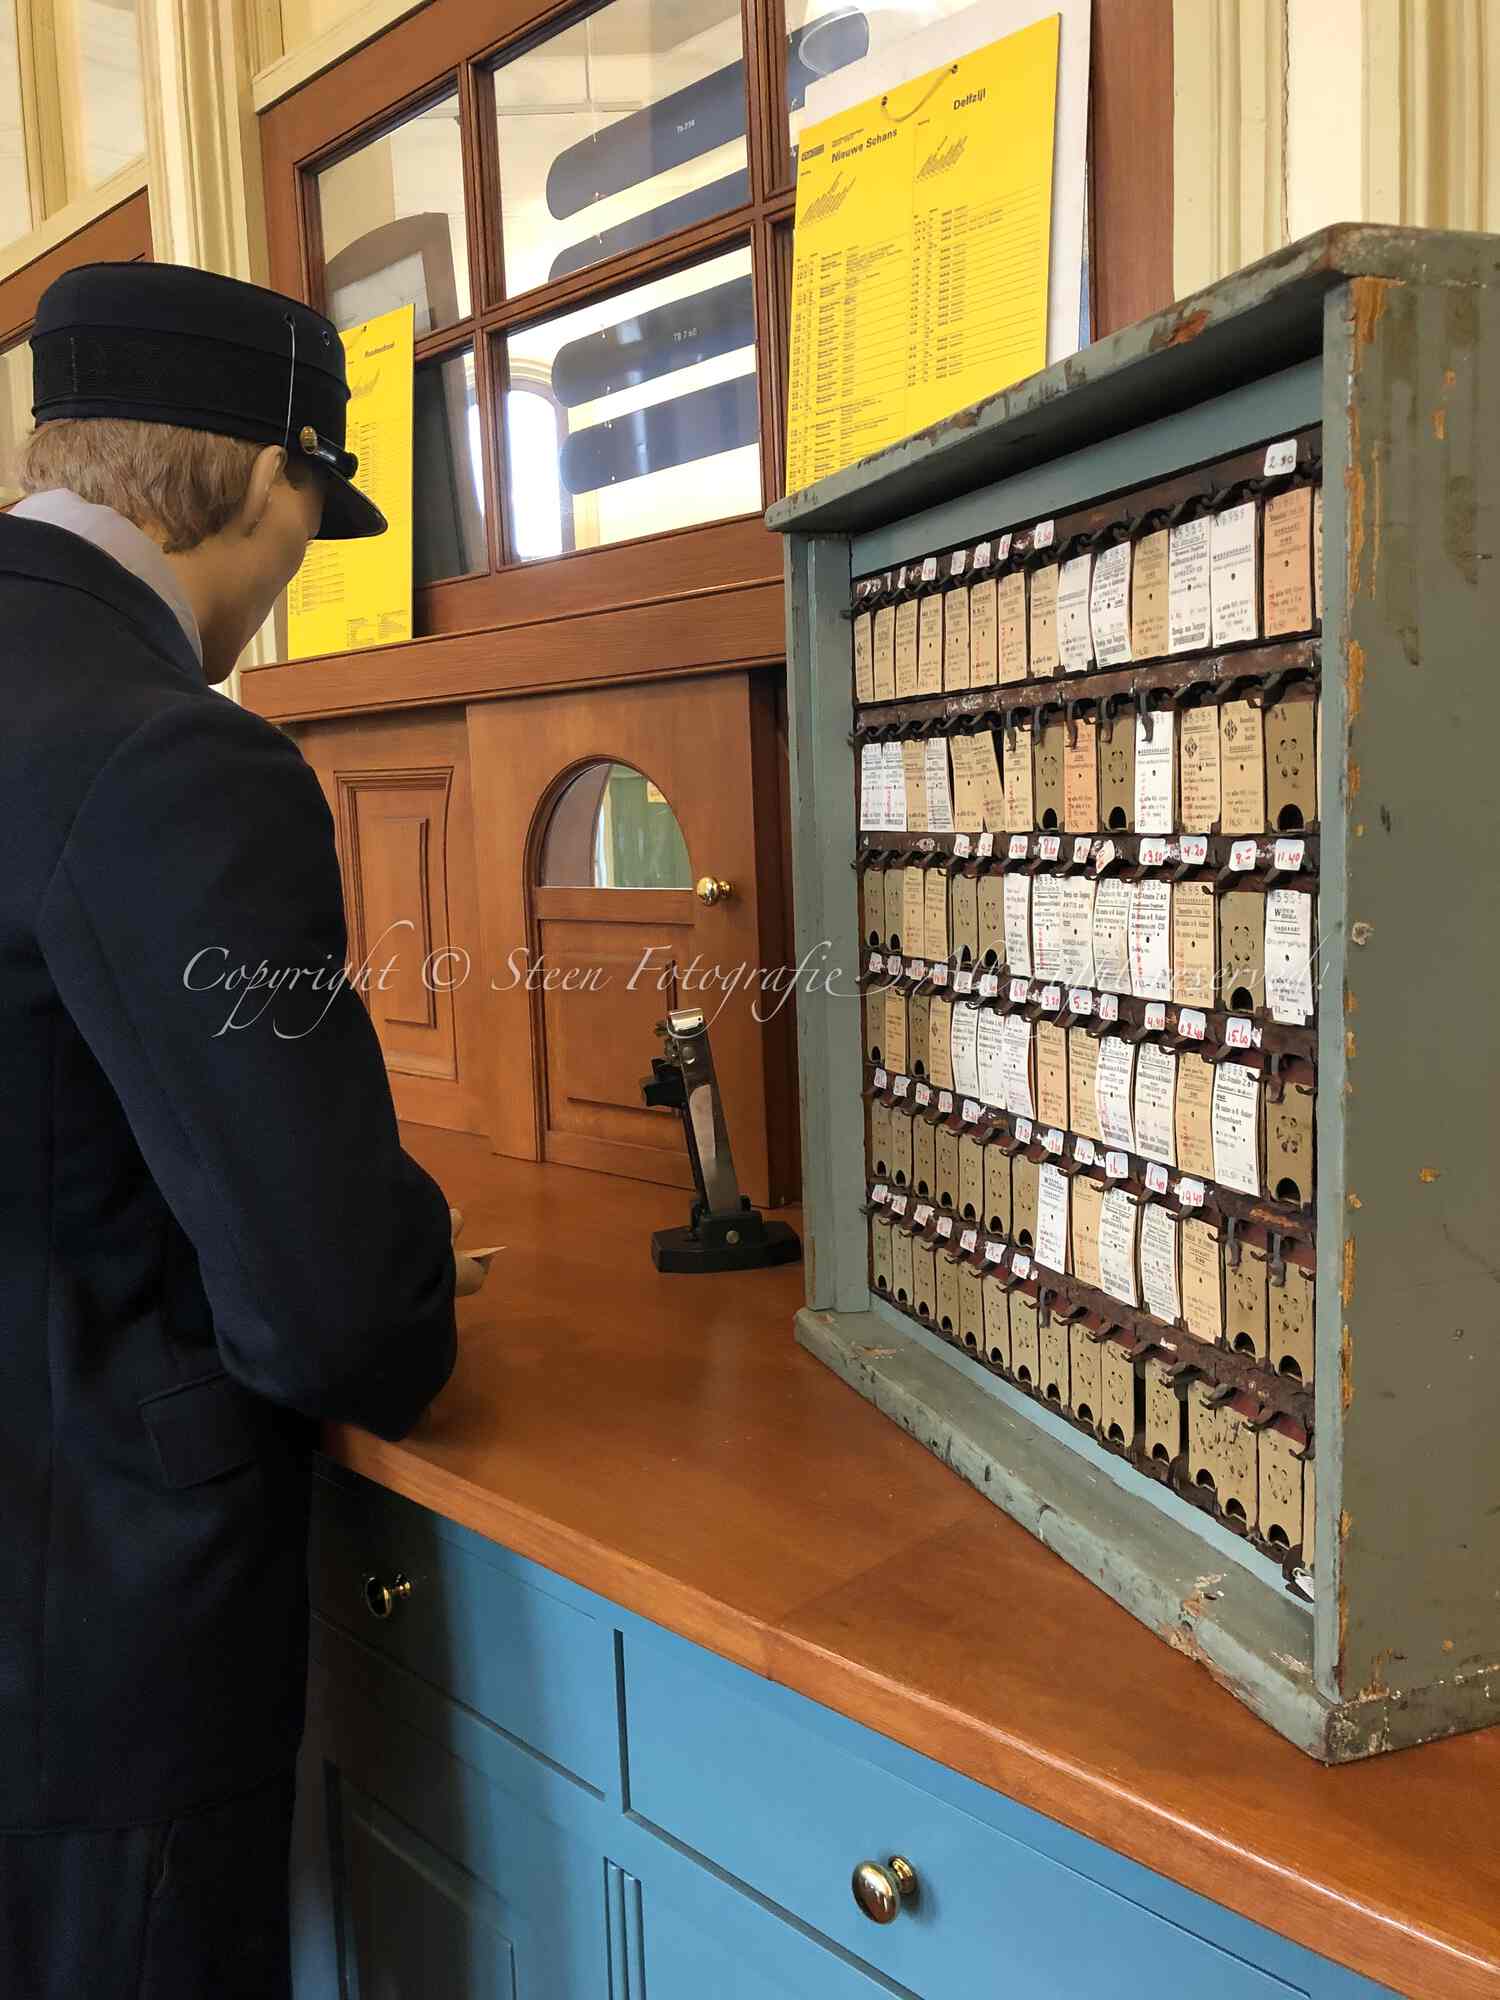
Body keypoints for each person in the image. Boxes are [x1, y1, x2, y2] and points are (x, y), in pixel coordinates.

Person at [0, 262, 490, 1997]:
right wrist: (419, 1242)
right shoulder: (172, 759)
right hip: (90, 1661)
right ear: (269, 477)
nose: (286, 589)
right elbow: (341, 1311)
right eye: (311, 527)